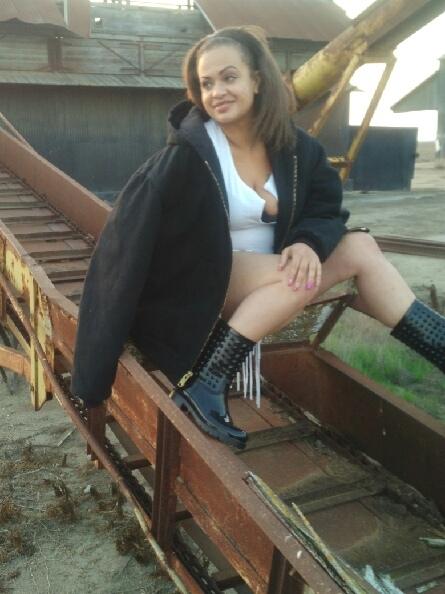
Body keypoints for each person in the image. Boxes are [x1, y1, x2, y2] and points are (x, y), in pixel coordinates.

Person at [71, 26, 444, 450]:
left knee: (360, 246)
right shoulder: (183, 160)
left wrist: (306, 241)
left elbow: (326, 209)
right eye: (206, 83)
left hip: (269, 276)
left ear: (257, 80)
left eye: (229, 77)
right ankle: (205, 382)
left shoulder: (297, 149)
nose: (217, 92)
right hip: (198, 285)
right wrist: (94, 370)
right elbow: (121, 250)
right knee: (297, 278)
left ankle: (439, 343)